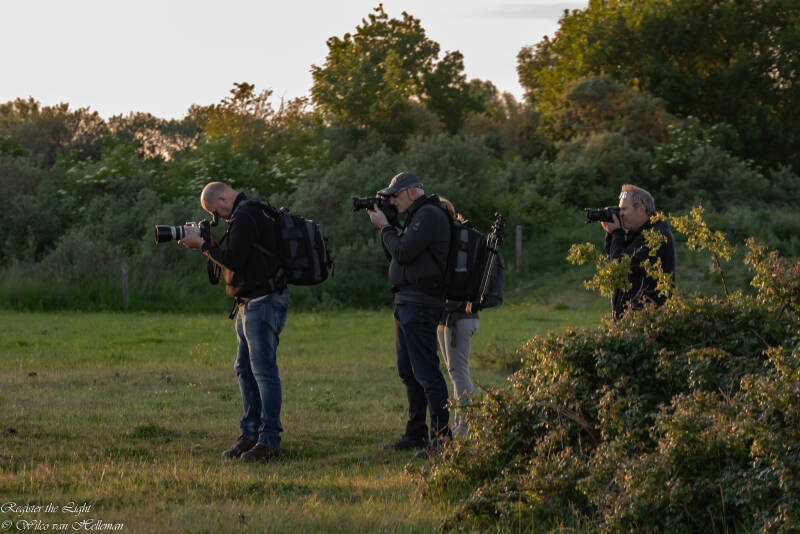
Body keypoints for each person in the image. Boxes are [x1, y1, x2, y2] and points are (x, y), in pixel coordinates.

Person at [178, 181, 289, 462]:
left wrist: (203, 245)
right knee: (245, 369)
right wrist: (208, 246)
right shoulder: (251, 212)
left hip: (262, 303)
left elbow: (234, 260)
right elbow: (240, 258)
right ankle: (250, 435)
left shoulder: (245, 216)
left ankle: (268, 441)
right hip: (249, 302)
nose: (218, 218)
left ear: (224, 199)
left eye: (216, 213)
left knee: (263, 372)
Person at [366, 171, 453, 458]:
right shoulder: (416, 216)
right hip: (406, 302)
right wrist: (389, 226)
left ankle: (441, 441)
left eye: (395, 195)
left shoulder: (428, 215)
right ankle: (416, 433)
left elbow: (402, 252)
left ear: (412, 191)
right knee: (409, 371)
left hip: (421, 303)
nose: (392, 200)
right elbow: (397, 256)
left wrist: (384, 227)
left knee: (427, 373)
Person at [601, 184, 676, 319]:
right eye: (619, 209)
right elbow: (614, 255)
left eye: (624, 209)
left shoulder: (655, 236)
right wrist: (611, 234)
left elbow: (620, 265)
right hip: (633, 317)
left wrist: (617, 233)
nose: (620, 214)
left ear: (641, 208)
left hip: (646, 320)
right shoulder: (640, 232)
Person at [436, 198, 478, 439]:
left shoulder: (455, 241)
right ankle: (460, 423)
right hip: (449, 316)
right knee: (454, 371)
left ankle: (467, 426)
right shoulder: (453, 239)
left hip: (460, 316)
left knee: (458, 371)